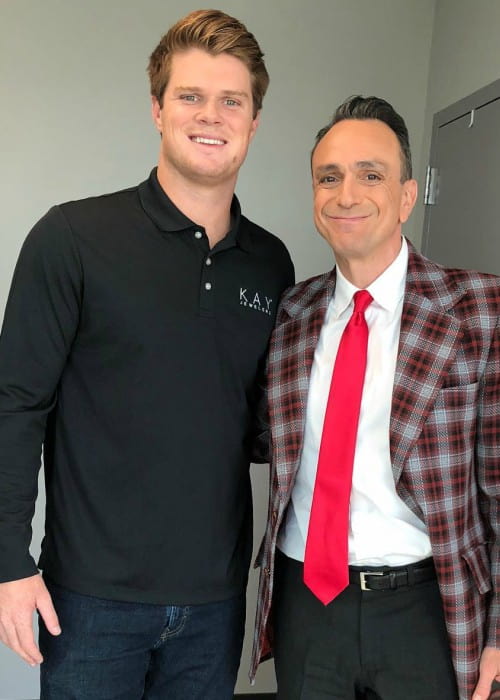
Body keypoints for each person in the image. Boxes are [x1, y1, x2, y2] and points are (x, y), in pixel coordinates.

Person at [0, 9, 294, 699]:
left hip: (216, 605)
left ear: (255, 122)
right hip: (90, 602)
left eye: (232, 100)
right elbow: (15, 405)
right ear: (158, 109)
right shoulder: (71, 237)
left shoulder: (271, 264)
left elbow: (257, 422)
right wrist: (8, 561)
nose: (211, 115)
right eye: (191, 96)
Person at [251, 95, 499, 700]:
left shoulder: (480, 309)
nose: (346, 194)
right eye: (328, 177)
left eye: (371, 174)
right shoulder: (291, 312)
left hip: (426, 607)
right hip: (306, 603)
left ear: (408, 196)